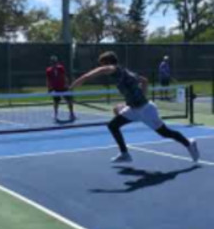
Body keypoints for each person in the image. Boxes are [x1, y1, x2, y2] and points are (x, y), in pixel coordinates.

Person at [69, 51, 200, 163]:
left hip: (146, 110)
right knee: (113, 125)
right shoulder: (125, 72)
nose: (102, 67)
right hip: (133, 109)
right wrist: (135, 99)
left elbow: (100, 71)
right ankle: (125, 154)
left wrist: (78, 82)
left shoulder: (115, 69)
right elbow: (144, 81)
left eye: (102, 63)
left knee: (165, 133)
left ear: (108, 63)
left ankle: (189, 143)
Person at [46, 55, 75, 122]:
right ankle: (55, 115)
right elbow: (48, 80)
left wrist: (67, 85)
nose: (54, 63)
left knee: (69, 101)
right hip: (56, 89)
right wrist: (49, 88)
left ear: (57, 62)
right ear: (51, 63)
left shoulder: (61, 68)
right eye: (53, 62)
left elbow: (64, 77)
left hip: (63, 88)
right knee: (56, 102)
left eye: (55, 62)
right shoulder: (48, 70)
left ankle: (71, 114)